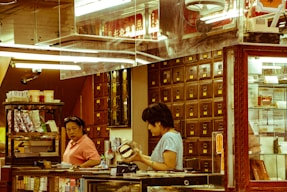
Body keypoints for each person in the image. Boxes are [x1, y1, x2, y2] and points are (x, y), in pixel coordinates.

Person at [123, 102, 183, 171]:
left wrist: (142, 159)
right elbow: (158, 161)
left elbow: (168, 167)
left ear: (158, 123)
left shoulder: (169, 137)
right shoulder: (174, 135)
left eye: (149, 124)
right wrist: (139, 157)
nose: (149, 128)